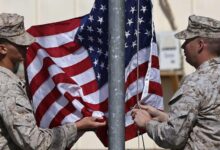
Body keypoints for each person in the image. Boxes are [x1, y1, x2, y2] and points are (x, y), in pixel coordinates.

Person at [0, 13, 106, 150]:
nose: (26, 46)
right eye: (19, 44)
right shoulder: (7, 87)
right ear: (2, 48)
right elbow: (34, 142)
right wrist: (78, 127)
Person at [132, 15, 220, 150]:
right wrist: (162, 116)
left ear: (200, 45)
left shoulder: (196, 82)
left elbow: (173, 137)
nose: (183, 46)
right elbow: (208, 121)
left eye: (187, 40)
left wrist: (147, 123)